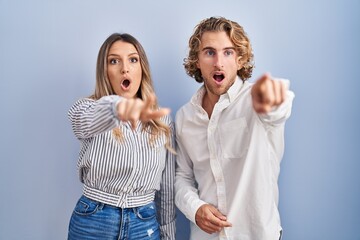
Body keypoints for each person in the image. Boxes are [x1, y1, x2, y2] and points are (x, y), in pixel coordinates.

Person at [175, 16, 295, 240]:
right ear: (197, 61)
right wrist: (195, 208)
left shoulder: (255, 99)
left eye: (228, 52)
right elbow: (182, 176)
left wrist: (271, 103)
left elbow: (278, 110)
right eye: (209, 52)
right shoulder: (185, 117)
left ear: (240, 60)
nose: (218, 62)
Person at [67, 33, 176, 240]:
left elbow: (167, 189)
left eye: (133, 60)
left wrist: (168, 234)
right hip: (93, 221)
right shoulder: (86, 109)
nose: (124, 68)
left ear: (141, 68)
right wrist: (118, 107)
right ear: (105, 71)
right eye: (114, 61)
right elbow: (83, 121)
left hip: (144, 224)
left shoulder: (163, 123)